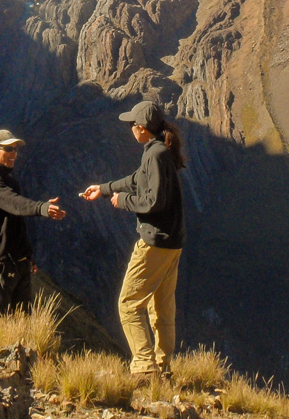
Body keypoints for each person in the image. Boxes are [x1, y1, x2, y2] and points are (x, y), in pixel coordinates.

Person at [82, 100, 185, 378]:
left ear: (141, 128)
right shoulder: (160, 152)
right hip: (172, 244)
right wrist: (103, 189)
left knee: (128, 304)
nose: (130, 128)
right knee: (161, 308)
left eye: (132, 124)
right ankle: (163, 368)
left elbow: (153, 201)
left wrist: (121, 201)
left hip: (154, 243)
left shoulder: (154, 155)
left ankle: (144, 368)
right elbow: (136, 180)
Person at [0, 129, 66, 332]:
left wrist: (28, 257)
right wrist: (42, 208)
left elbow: (16, 224)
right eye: (8, 148)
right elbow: (15, 204)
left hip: (18, 263)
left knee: (23, 326)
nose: (14, 153)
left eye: (15, 149)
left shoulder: (9, 180)